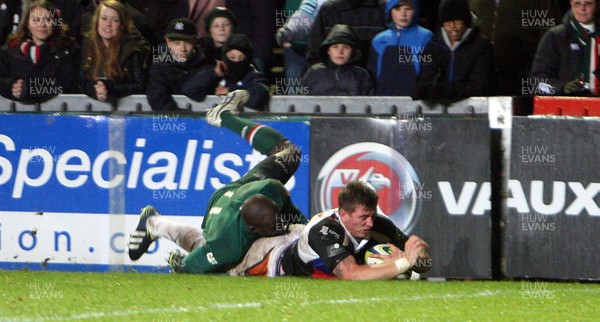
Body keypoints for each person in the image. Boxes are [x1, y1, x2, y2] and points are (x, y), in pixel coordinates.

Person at [128, 89, 308, 274]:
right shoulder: (227, 245)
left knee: (290, 154)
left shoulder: (272, 189)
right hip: (219, 214)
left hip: (241, 190)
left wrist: (305, 227)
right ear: (254, 229)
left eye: (278, 219)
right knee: (222, 262)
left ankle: (224, 116)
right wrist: (181, 263)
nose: (280, 226)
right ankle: (154, 224)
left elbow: (292, 217)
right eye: (272, 227)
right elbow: (188, 266)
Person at [228, 180, 432, 280]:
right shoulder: (325, 230)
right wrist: (405, 262)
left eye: (372, 215)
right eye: (363, 217)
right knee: (229, 268)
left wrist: (417, 257)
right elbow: (351, 275)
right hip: (272, 258)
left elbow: (423, 261)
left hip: (302, 237)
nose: (370, 223)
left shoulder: (378, 223)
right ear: (343, 214)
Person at [469, 0, 561, 97]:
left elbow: (550, 41)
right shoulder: (475, 2)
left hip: (523, 79)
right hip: (482, 80)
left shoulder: (541, 3)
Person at [411, 0, 494, 99]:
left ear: (465, 20)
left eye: (457, 20)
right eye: (447, 21)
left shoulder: (481, 45)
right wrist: (424, 91)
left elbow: (479, 86)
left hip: (473, 110)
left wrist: (444, 91)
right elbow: (423, 81)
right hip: (438, 111)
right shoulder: (433, 45)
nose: (452, 26)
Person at [0, 0, 79, 103]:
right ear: (27, 23)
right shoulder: (10, 51)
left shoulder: (68, 52)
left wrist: (29, 89)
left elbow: (64, 85)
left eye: (47, 20)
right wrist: (11, 86)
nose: (42, 25)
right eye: (36, 20)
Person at [79, 0, 150, 103]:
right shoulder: (88, 45)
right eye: (104, 18)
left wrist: (107, 87)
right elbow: (80, 82)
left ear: (122, 25)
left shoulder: (133, 48)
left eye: (115, 20)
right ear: (97, 21)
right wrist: (96, 90)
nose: (108, 24)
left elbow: (139, 85)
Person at [181, 33, 270, 110]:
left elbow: (257, 98)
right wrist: (213, 74)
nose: (236, 62)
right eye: (232, 57)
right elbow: (189, 89)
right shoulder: (216, 74)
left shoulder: (255, 76)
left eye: (241, 58)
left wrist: (230, 91)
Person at [530, 0, 600, 96]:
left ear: (597, 5)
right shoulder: (556, 36)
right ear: (571, 4)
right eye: (577, 3)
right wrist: (561, 88)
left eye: (588, 3)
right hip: (567, 107)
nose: (582, 8)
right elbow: (537, 82)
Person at [367, 0, 433, 96]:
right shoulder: (379, 40)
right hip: (384, 101)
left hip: (415, 101)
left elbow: (429, 72)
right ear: (390, 11)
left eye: (408, 9)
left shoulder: (425, 37)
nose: (403, 14)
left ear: (416, 10)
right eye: (397, 9)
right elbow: (373, 75)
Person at [146, 18, 212, 111]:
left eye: (187, 43)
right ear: (168, 43)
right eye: (177, 43)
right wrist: (183, 116)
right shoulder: (159, 66)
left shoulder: (207, 64)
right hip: (174, 121)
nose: (182, 49)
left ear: (195, 42)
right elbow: (157, 98)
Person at [306, 0, 387, 69]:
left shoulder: (384, 9)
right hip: (332, 81)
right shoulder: (329, 9)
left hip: (374, 81)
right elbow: (315, 51)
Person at [301, 24, 374, 95]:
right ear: (328, 50)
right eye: (335, 47)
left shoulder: (362, 75)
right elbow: (301, 102)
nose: (340, 52)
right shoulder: (314, 73)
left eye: (346, 47)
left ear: (353, 51)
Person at [276, 0, 327, 80]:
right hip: (299, 48)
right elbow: (303, 18)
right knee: (295, 88)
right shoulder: (313, 2)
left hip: (327, 52)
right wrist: (288, 33)